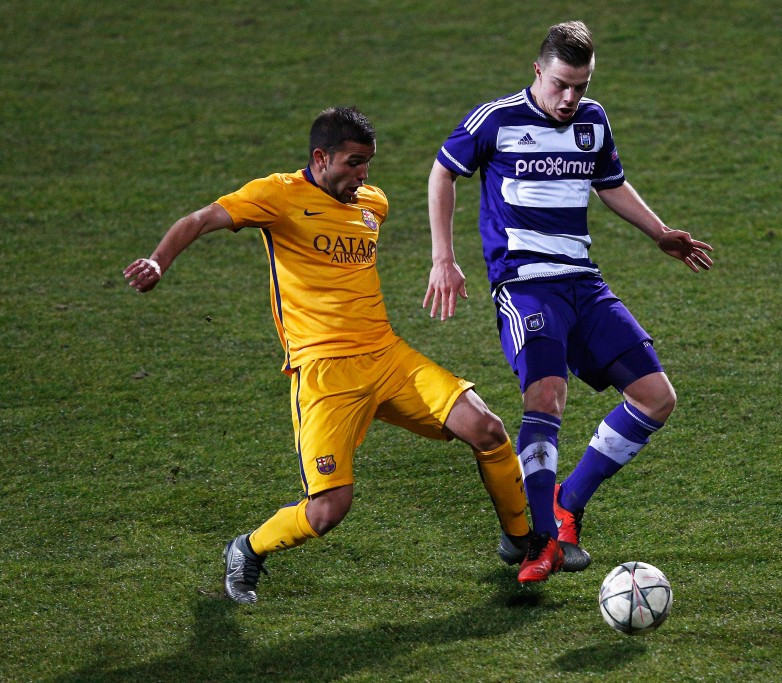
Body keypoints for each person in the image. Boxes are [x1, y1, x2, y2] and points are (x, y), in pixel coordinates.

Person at [125, 106, 532, 604]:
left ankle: (521, 541)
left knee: (487, 428)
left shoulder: (372, 204)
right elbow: (201, 219)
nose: (364, 175)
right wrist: (157, 260)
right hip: (323, 372)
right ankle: (248, 549)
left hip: (386, 355)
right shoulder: (275, 196)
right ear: (321, 157)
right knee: (328, 510)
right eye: (354, 163)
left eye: (368, 164)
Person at [423, 21, 713, 584]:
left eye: (580, 86)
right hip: (526, 284)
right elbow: (443, 172)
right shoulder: (496, 120)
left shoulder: (592, 120)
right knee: (547, 399)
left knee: (656, 398)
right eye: (561, 84)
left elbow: (610, 183)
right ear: (538, 71)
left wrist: (659, 233)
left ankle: (564, 502)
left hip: (583, 281)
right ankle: (540, 542)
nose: (570, 98)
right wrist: (443, 257)